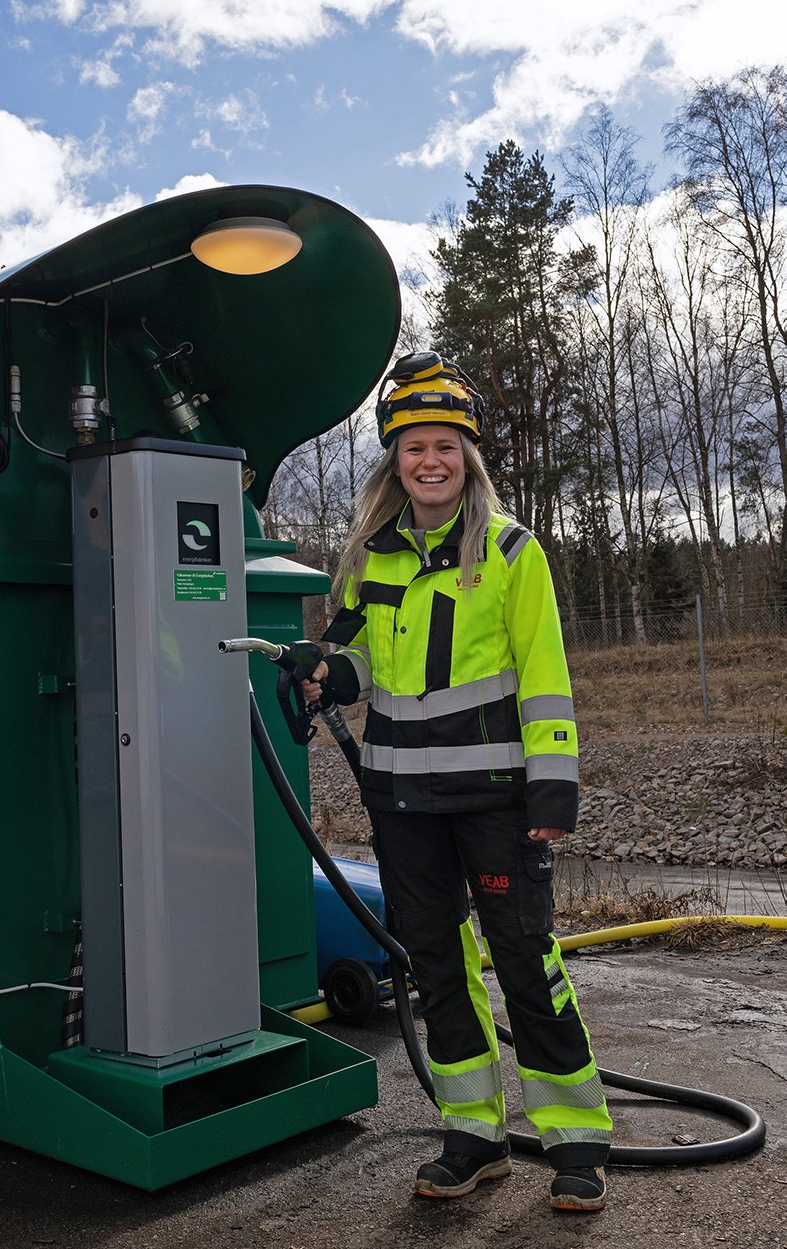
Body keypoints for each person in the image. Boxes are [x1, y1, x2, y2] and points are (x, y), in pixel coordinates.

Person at [300, 352, 612, 1211]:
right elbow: (361, 660)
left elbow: (545, 677)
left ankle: (575, 1140)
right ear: (394, 462)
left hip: (498, 802)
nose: (428, 461)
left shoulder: (514, 553)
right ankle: (473, 1130)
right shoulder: (373, 557)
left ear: (465, 457)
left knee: (526, 961)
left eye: (443, 446)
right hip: (403, 803)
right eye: (412, 448)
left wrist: (554, 793)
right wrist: (325, 670)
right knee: (436, 967)